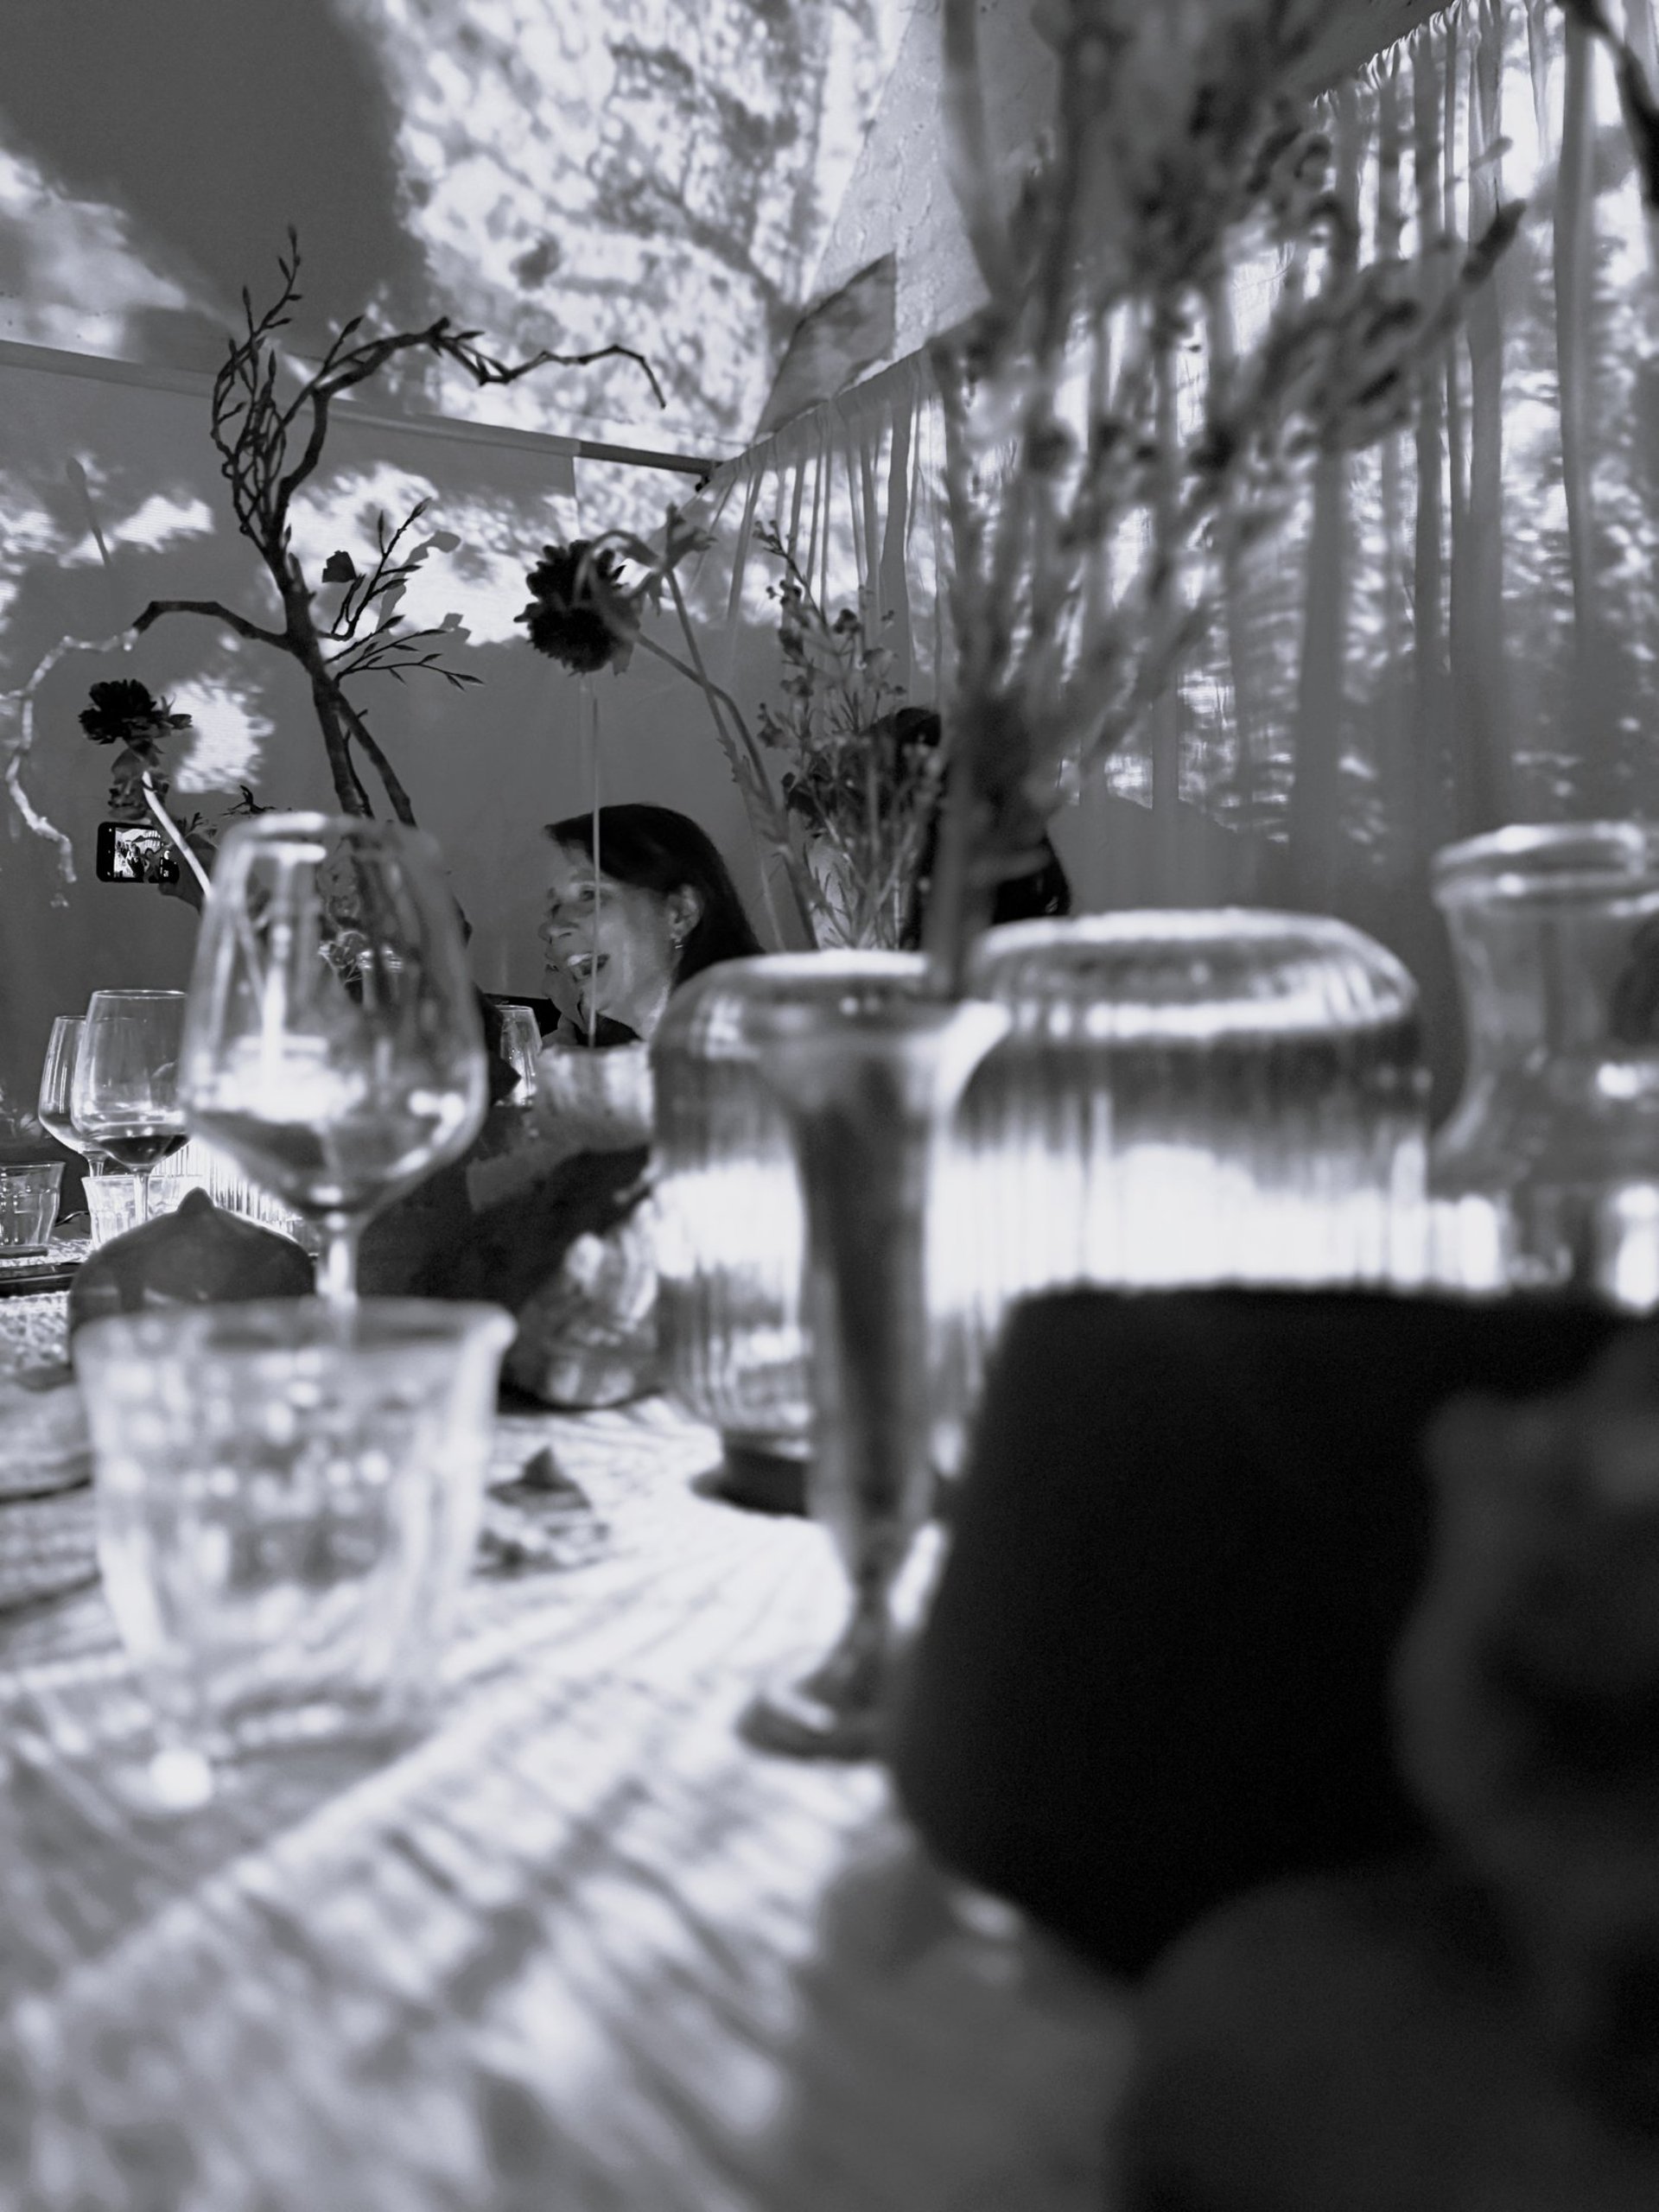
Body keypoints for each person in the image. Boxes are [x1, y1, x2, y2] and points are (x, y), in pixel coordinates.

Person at [360, 804, 765, 1408]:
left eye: (590, 897)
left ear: (680, 912)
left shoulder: (743, 1054)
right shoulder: (641, 1064)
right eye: (553, 907)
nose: (554, 928)